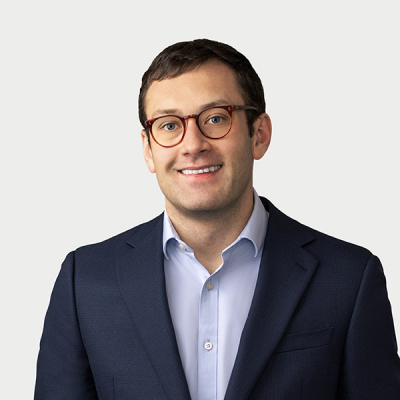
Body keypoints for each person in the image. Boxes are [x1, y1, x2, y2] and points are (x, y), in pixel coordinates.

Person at [35, 39, 400, 399]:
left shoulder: (348, 279)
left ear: (259, 135)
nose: (193, 144)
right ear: (148, 149)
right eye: (169, 125)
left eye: (215, 118)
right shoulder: (85, 282)